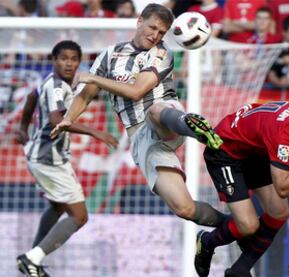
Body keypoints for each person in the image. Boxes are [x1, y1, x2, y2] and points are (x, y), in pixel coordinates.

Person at [51, 4, 227, 236]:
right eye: (152, 27)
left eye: (162, 32)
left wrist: (94, 77)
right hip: (142, 139)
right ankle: (233, 224)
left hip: (167, 118)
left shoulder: (162, 53)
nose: (155, 35)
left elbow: (136, 91)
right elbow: (86, 94)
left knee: (154, 110)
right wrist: (68, 119)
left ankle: (195, 128)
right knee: (183, 207)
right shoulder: (110, 54)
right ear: (139, 22)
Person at [194, 101, 289, 277]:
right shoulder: (282, 135)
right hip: (225, 151)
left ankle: (240, 270)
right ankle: (207, 241)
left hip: (253, 151)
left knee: (279, 212)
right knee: (248, 226)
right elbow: (283, 189)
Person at [15, 40, 118, 277]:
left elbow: (32, 96)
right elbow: (55, 121)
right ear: (53, 60)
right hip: (48, 160)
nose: (69, 63)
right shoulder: (57, 87)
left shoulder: (52, 83)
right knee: (79, 216)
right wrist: (95, 132)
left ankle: (34, 260)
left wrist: (23, 128)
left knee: (58, 205)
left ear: (79, 61)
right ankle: (31, 259)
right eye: (63, 58)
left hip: (45, 156)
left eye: (73, 59)